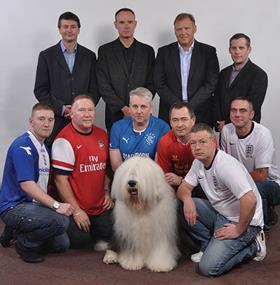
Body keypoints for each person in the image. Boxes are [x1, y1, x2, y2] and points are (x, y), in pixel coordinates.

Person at [177, 123, 266, 277]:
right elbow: (183, 188)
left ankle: (254, 246)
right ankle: (208, 244)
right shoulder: (198, 162)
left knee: (208, 268)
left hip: (246, 221)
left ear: (214, 143)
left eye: (202, 142)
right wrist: (188, 200)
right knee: (179, 204)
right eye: (193, 143)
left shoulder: (225, 166)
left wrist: (239, 229)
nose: (197, 147)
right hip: (221, 213)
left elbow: (250, 200)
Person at [0, 103, 73, 263]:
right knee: (60, 222)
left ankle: (15, 231)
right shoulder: (23, 145)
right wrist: (56, 205)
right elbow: (27, 185)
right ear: (31, 121)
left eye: (50, 120)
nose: (46, 124)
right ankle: (25, 244)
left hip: (33, 205)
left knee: (62, 244)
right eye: (41, 119)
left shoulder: (44, 146)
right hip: (14, 206)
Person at [52, 95, 113, 249]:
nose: (87, 114)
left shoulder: (102, 135)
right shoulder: (64, 140)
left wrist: (107, 191)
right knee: (81, 242)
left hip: (99, 205)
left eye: (90, 110)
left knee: (109, 233)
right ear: (71, 113)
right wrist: (77, 211)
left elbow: (105, 169)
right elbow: (61, 181)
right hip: (76, 206)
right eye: (81, 110)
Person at [34, 12, 99, 144]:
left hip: (83, 120)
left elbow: (95, 89)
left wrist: (81, 110)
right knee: (55, 159)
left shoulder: (89, 56)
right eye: (65, 26)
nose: (69, 30)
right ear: (59, 29)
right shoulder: (46, 56)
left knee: (82, 158)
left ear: (79, 29)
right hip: (56, 119)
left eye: (73, 26)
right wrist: (62, 109)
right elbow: (40, 90)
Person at [221, 97, 280, 229]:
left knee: (255, 189)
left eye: (242, 111)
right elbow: (226, 164)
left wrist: (234, 180)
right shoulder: (226, 130)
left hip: (270, 184)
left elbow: (261, 175)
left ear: (251, 114)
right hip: (242, 180)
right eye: (233, 110)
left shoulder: (263, 134)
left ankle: (260, 225)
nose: (237, 114)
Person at [154, 13, 219, 126]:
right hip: (170, 112)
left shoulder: (208, 52)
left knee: (199, 143)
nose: (183, 32)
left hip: (200, 113)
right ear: (175, 31)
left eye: (187, 28)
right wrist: (178, 107)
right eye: (179, 29)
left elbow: (210, 84)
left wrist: (190, 106)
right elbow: (159, 83)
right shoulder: (164, 52)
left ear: (195, 29)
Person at [97, 8, 155, 131]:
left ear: (135, 24)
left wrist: (139, 107)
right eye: (122, 22)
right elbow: (103, 85)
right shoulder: (105, 51)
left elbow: (152, 83)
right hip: (115, 114)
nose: (126, 26)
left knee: (143, 149)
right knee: (115, 149)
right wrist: (123, 108)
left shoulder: (147, 51)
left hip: (142, 115)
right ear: (115, 25)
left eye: (129, 22)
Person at [214, 33, 268, 132]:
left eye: (241, 48)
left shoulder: (259, 75)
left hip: (246, 130)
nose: (237, 52)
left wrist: (227, 123)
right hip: (224, 129)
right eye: (234, 48)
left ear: (249, 49)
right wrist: (219, 122)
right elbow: (216, 98)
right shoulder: (223, 73)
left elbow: (253, 105)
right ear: (229, 50)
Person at [110, 87, 169, 171]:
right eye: (135, 106)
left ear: (151, 109)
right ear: (129, 109)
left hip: (150, 179)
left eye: (143, 107)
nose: (139, 111)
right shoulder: (117, 127)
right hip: (125, 178)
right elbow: (115, 166)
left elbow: (158, 166)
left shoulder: (162, 127)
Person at [157, 102, 196, 188]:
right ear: (170, 122)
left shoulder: (205, 139)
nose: (179, 125)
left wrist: (181, 180)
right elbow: (165, 177)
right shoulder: (165, 142)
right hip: (176, 189)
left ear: (193, 120)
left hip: (203, 188)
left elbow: (209, 177)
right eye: (175, 120)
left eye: (184, 119)